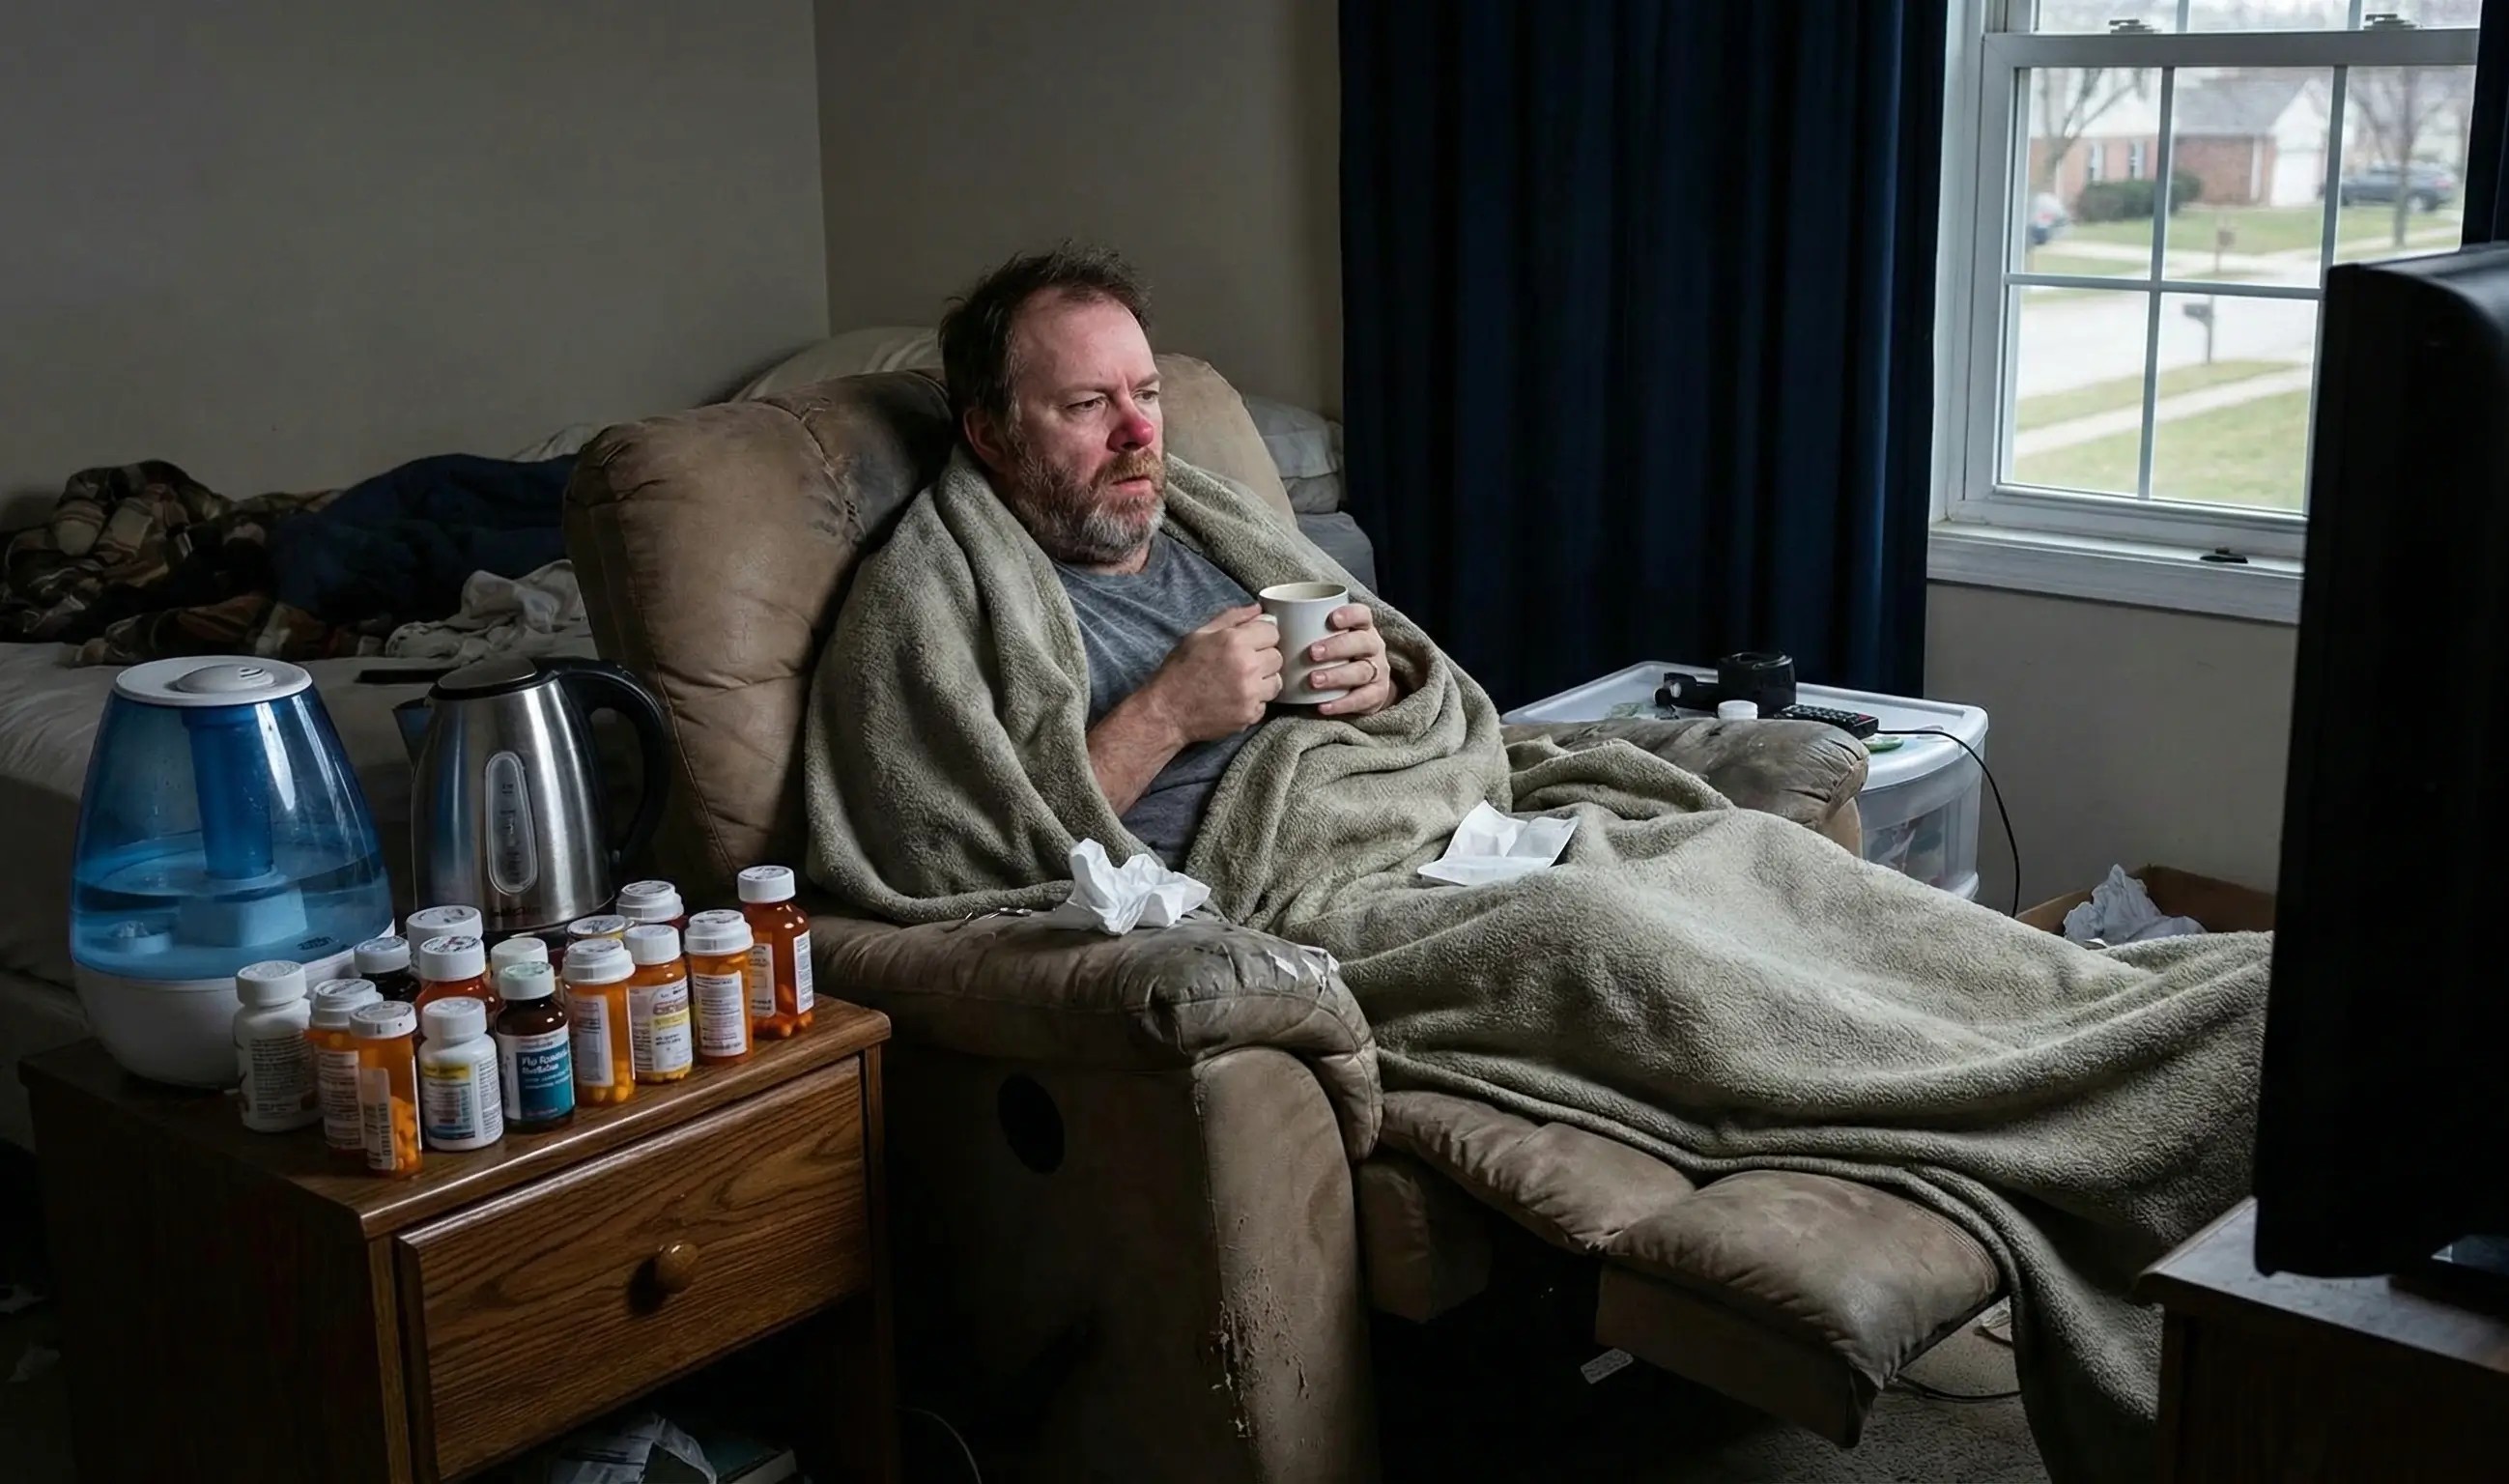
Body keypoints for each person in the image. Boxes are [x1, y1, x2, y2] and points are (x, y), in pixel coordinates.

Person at [937, 244, 1394, 863]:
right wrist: (1168, 715)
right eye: (1088, 404)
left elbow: (1431, 712)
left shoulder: (1220, 526)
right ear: (992, 435)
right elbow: (968, 854)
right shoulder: (947, 602)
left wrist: (1377, 685)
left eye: (1146, 394)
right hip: (1266, 884)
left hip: (1400, 819)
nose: (1141, 431)